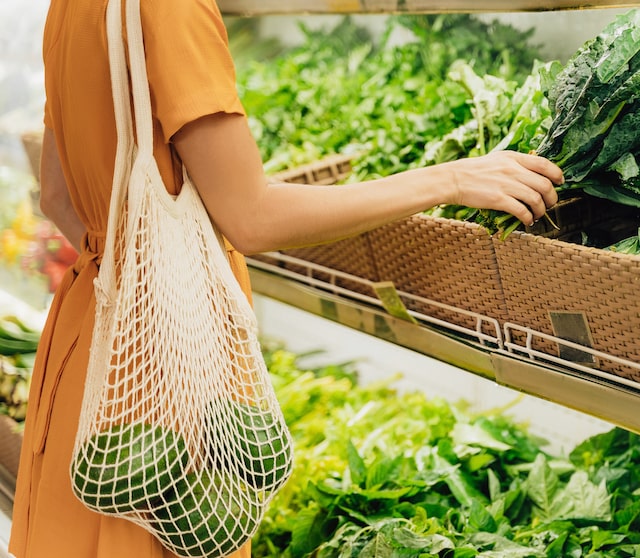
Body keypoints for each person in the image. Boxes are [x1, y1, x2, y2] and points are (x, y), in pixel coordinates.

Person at [11, 0, 562, 556]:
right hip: (164, 378)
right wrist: (452, 178)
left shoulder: (70, 7)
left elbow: (59, 198)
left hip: (89, 346)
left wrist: (127, 248)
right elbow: (251, 217)